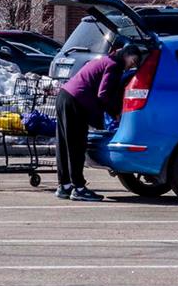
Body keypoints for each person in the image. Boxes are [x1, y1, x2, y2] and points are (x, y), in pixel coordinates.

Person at [54, 41, 142, 201]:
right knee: (76, 145)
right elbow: (104, 94)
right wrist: (115, 112)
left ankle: (64, 185)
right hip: (77, 101)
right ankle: (79, 188)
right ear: (127, 55)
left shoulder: (105, 60)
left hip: (64, 96)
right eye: (133, 61)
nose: (132, 66)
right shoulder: (114, 66)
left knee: (64, 144)